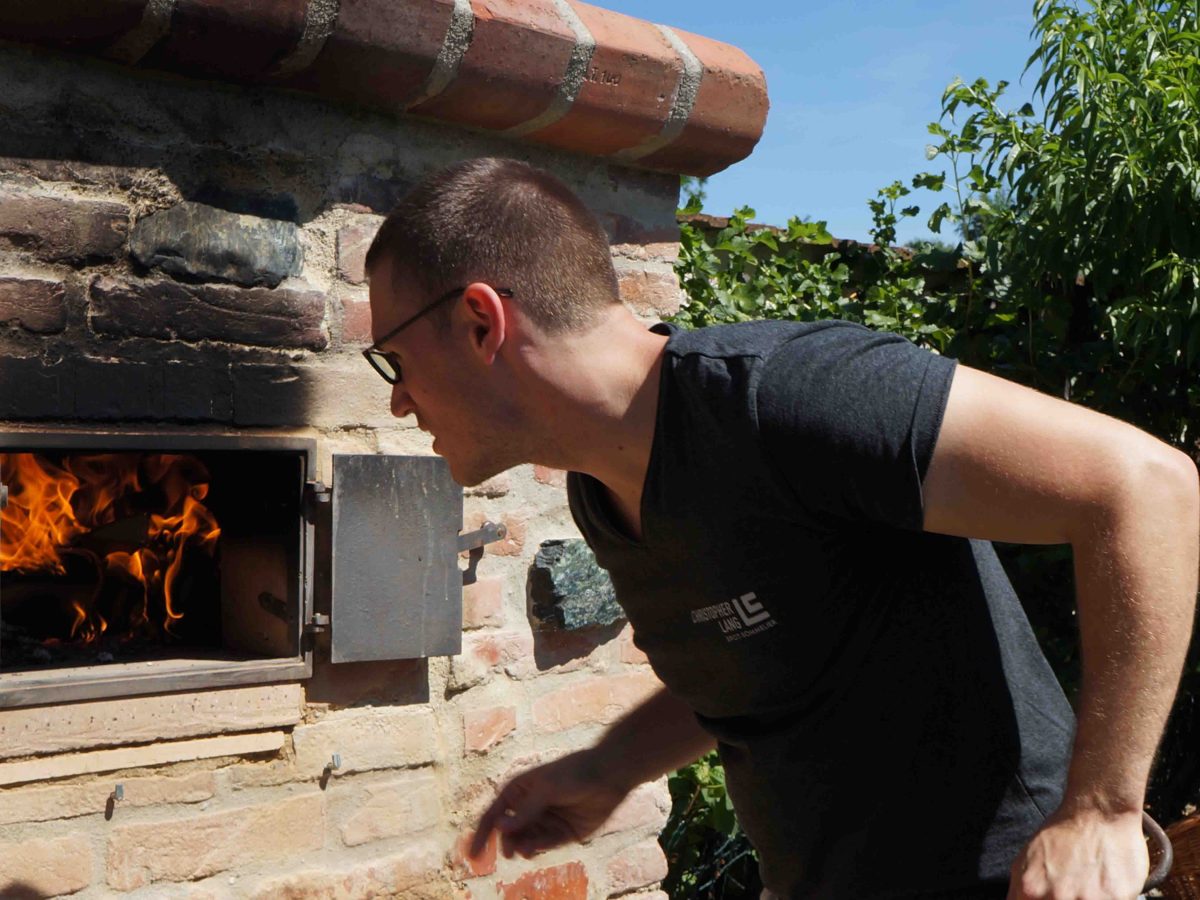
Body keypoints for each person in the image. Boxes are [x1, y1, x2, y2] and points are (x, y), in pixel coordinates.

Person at [360, 157, 1199, 899]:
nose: (397, 398)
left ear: (481, 322)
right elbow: (758, 658)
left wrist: (1101, 811)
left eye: (394, 359)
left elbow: (1146, 486)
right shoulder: (601, 491)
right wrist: (609, 766)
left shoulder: (788, 396)